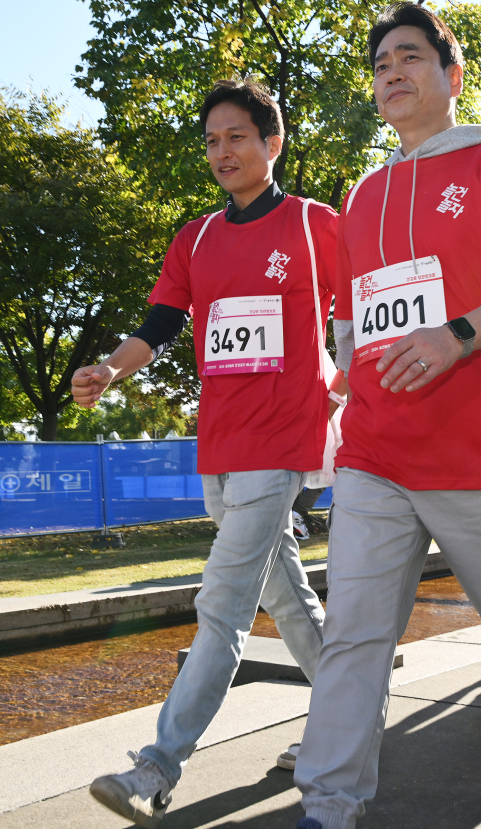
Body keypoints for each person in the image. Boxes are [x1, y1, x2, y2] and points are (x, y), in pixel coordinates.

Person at [292, 3, 481, 829]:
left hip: (479, 443)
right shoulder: (360, 194)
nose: (392, 71)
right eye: (382, 61)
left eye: (411, 57)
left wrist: (457, 334)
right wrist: (340, 381)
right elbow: (354, 326)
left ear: (451, 75)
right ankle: (328, 803)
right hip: (375, 451)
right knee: (354, 631)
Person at [70, 79, 346, 827]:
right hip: (219, 441)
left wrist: (346, 382)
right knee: (283, 593)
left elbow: (354, 316)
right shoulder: (194, 237)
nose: (223, 152)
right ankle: (352, 708)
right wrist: (109, 367)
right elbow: (158, 322)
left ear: (272, 142)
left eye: (238, 137)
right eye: (213, 141)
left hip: (284, 436)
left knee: (219, 605)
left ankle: (157, 767)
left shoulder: (318, 225)